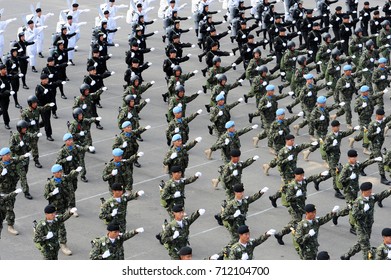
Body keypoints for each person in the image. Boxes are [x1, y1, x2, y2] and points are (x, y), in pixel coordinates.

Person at [341, 182, 391, 260]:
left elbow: (381, 195)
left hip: (368, 226)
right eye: (368, 191)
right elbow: (355, 216)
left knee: (361, 243)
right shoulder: (357, 202)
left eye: (370, 190)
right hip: (361, 227)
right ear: (363, 191)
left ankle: (347, 255)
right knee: (366, 249)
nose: (370, 192)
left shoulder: (372, 198)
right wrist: (364, 211)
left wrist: (389, 190)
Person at [44, 164, 82, 254]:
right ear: (53, 173)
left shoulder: (65, 179)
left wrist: (76, 171)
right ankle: (63, 245)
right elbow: (46, 196)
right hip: (55, 208)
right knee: (61, 226)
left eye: (61, 171)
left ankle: (43, 231)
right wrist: (52, 193)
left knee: (54, 224)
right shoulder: (49, 183)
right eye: (58, 172)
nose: (60, 173)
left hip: (63, 206)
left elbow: (71, 175)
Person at [9, 120, 42, 199]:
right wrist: (18, 146)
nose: (25, 129)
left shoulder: (26, 135)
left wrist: (37, 135)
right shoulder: (14, 137)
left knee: (21, 175)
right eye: (23, 128)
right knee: (23, 176)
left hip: (25, 158)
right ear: (19, 129)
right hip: (18, 159)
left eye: (26, 128)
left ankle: (12, 185)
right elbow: (11, 148)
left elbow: (31, 135)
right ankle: (26, 192)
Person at [0, 147, 29, 235]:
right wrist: (1, 175)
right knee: (7, 208)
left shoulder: (11, 161)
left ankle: (8, 223)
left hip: (12, 189)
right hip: (2, 190)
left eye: (9, 154)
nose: (9, 156)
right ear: (2, 156)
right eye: (7, 155)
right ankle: (8, 224)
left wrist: (24, 156)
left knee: (9, 207)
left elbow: (17, 159)